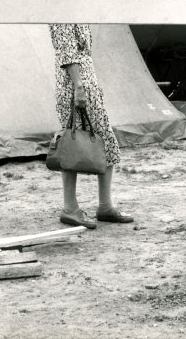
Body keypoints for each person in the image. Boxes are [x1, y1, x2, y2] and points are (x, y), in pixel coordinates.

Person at [49, 23, 133, 229]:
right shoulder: (63, 10)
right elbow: (67, 53)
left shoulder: (77, 9)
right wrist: (79, 86)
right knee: (72, 144)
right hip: (75, 85)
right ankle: (71, 207)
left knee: (105, 143)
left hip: (87, 84)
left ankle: (104, 206)